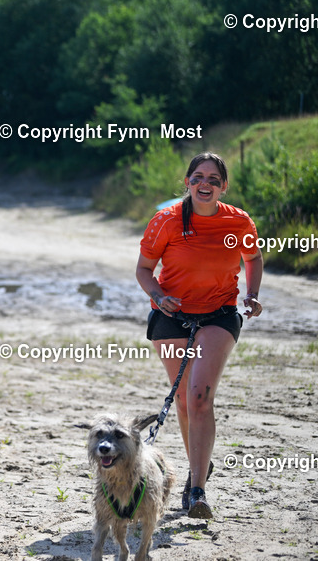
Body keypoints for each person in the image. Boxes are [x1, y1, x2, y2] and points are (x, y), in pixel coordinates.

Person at [136, 152, 263, 519]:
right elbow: (144, 269)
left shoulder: (238, 222)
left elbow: (253, 258)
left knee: (200, 398)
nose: (204, 184)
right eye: (198, 177)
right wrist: (159, 296)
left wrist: (252, 294)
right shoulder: (166, 220)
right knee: (183, 401)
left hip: (218, 315)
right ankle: (198, 466)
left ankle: (197, 490)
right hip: (171, 316)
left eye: (213, 179)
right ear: (187, 182)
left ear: (223, 186)